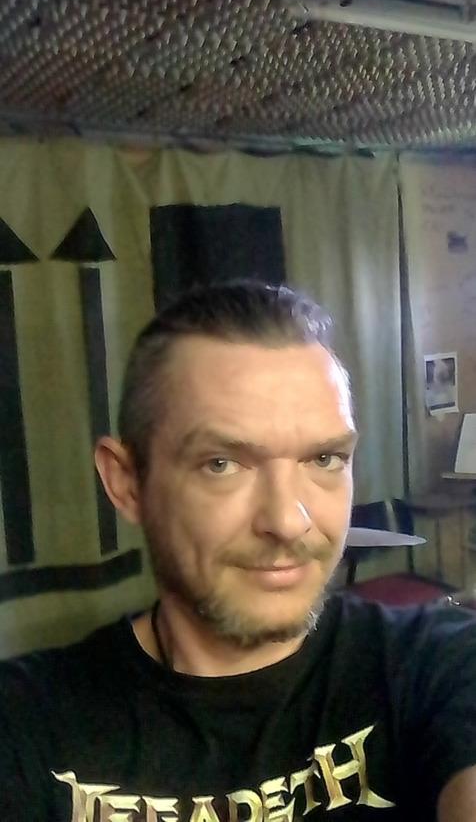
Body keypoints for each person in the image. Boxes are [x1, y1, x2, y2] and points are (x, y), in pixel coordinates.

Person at [0, 279, 475, 822]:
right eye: (222, 464)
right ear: (127, 482)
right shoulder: (25, 725)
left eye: (324, 459)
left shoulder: (434, 666)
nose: (288, 522)